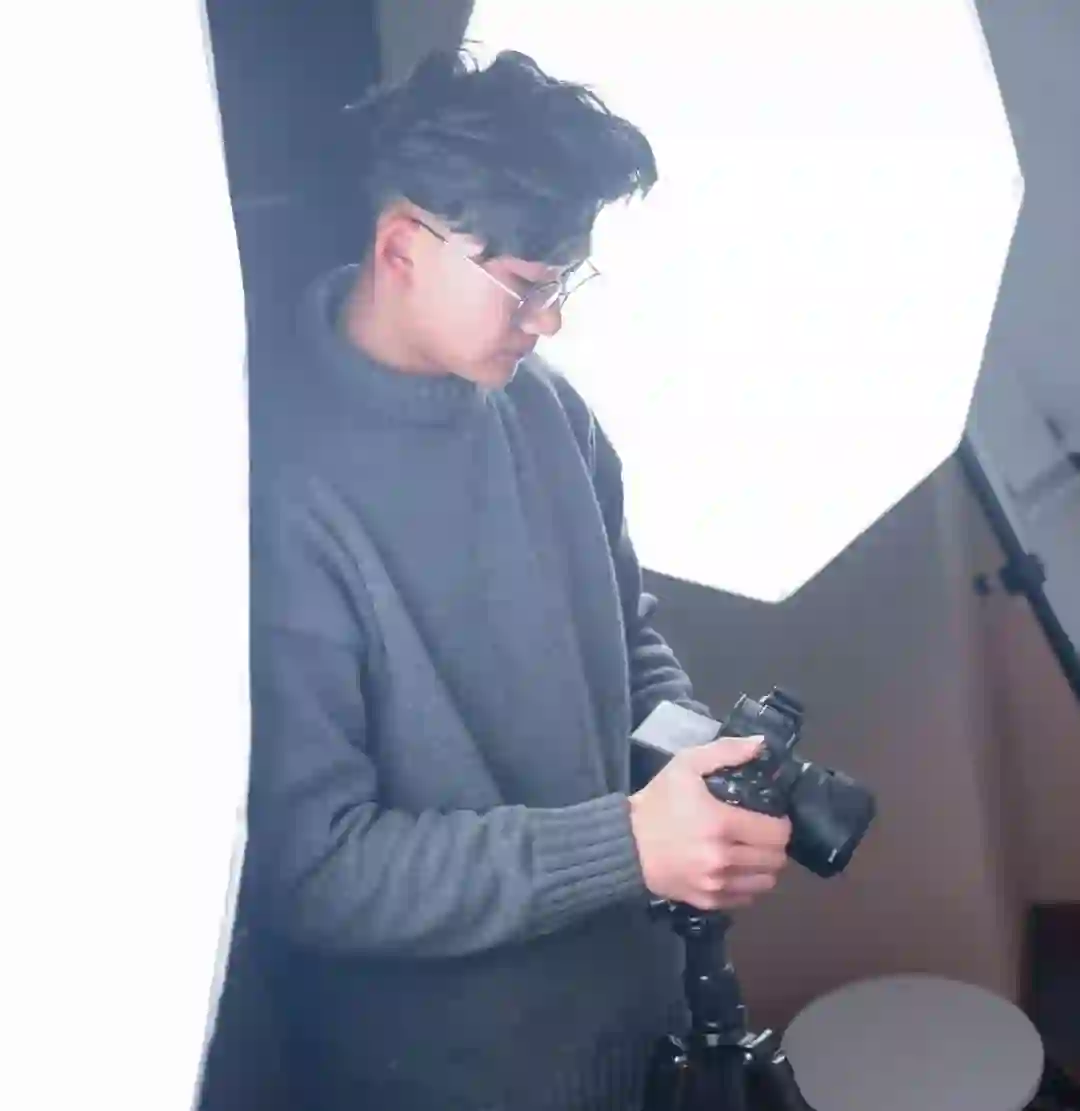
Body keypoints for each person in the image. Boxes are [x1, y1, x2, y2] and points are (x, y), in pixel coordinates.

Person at [245, 47, 792, 1111]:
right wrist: (630, 842)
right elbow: (312, 871)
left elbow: (624, 642)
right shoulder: (278, 495)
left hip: (639, 1022)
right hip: (446, 1078)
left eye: (567, 281)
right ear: (402, 249)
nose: (551, 321)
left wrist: (698, 764)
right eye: (529, 285)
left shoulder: (550, 410)